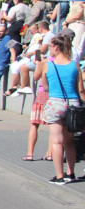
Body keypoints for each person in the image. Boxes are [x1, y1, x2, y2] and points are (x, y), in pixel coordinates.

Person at [36, 33, 81, 184]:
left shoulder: (47, 64)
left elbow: (45, 86)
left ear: (56, 47)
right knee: (70, 141)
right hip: (73, 103)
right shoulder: (74, 64)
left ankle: (59, 175)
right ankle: (71, 172)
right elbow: (80, 89)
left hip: (55, 102)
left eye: (50, 46)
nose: (49, 49)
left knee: (56, 141)